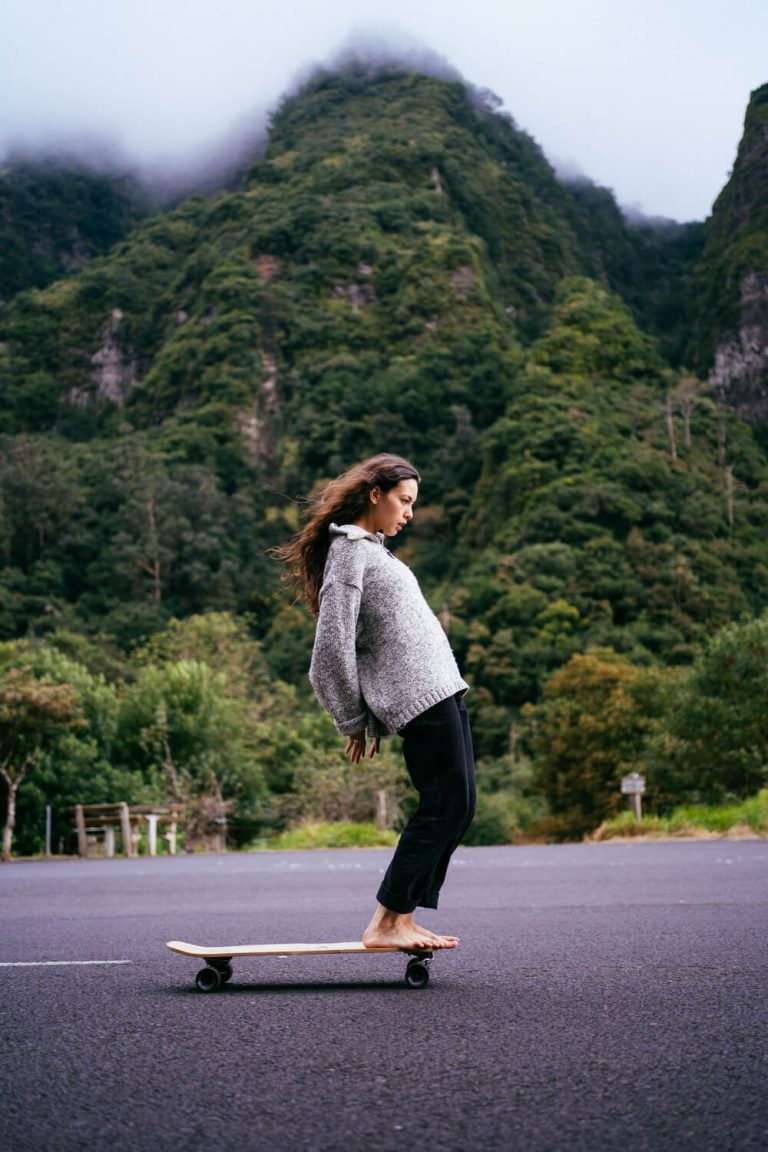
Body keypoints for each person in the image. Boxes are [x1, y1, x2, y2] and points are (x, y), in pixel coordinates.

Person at [276, 453, 475, 951]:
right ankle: (385, 922)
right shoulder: (349, 553)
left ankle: (401, 917)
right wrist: (351, 717)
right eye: (403, 501)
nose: (409, 512)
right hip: (417, 700)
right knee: (444, 804)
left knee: (460, 805)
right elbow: (330, 648)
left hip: (442, 690)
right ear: (374, 494)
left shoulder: (375, 552)